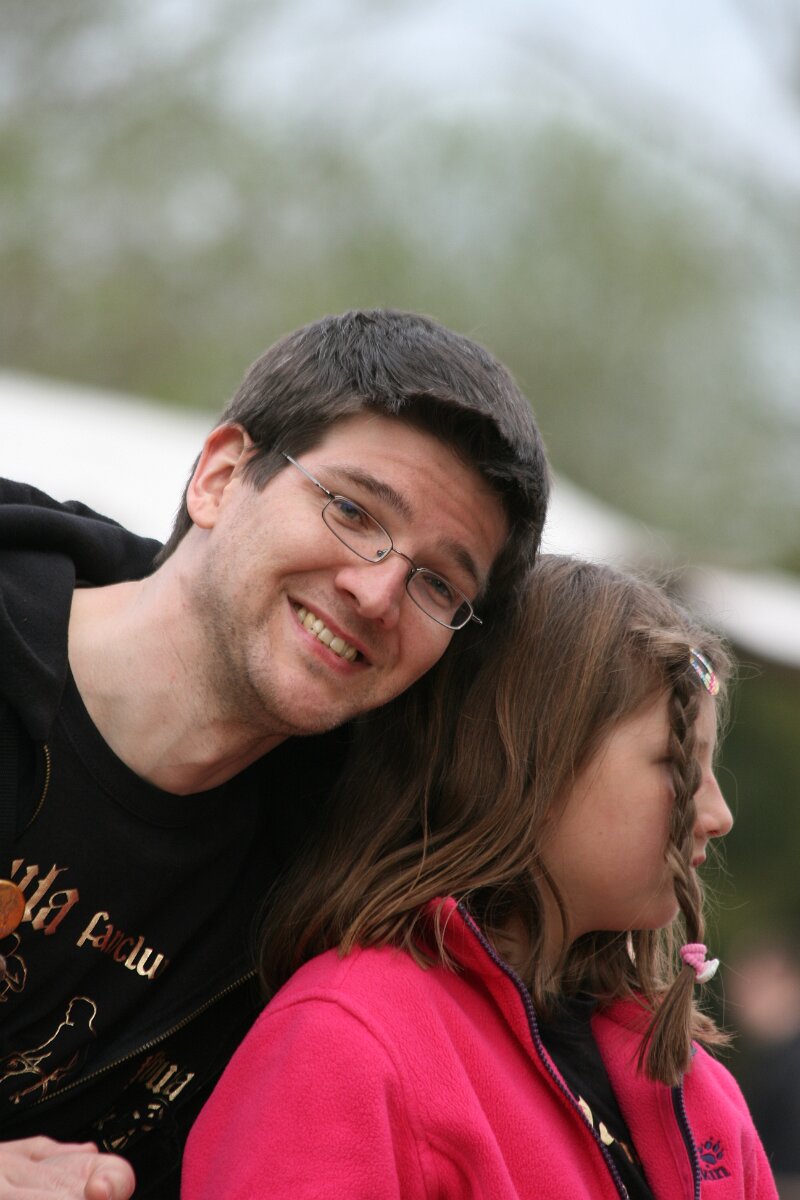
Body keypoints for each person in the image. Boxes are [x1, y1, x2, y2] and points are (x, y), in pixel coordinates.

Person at [0, 308, 549, 1199]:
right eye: (352, 510)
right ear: (219, 476)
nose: (377, 593)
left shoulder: (338, 882)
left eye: (437, 582)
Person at [183, 555, 778, 1200]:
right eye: (677, 765)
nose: (717, 815)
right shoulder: (348, 1045)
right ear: (528, 764)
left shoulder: (697, 1091)